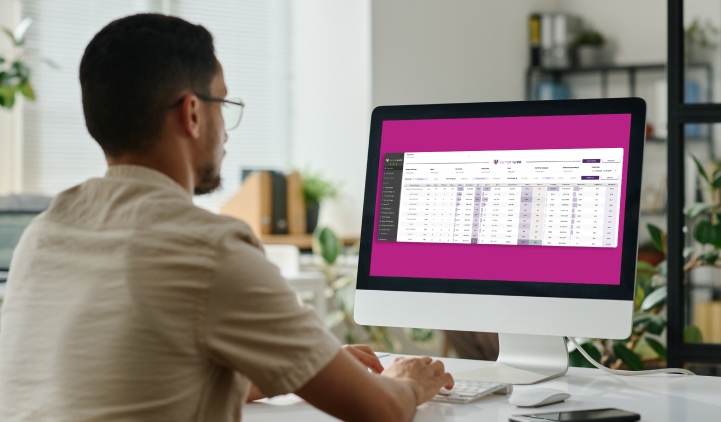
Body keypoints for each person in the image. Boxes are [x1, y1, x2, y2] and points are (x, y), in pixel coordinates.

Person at [0, 13, 453, 422]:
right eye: (224, 104)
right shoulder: (208, 247)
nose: (226, 133)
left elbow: (145, 378)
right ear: (193, 113)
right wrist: (410, 380)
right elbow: (380, 411)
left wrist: (304, 369)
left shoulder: (43, 235)